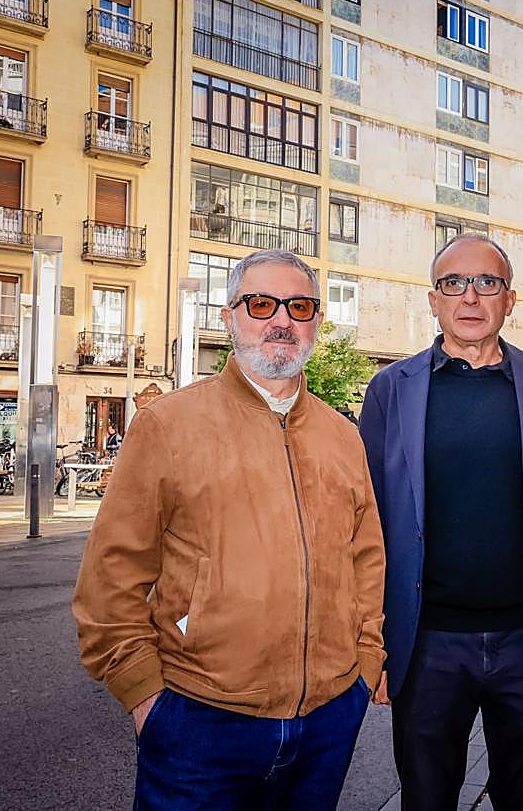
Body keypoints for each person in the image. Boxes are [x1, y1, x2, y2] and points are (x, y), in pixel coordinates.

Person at [72, 249, 387, 810]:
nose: (281, 320)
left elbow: (366, 559)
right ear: (230, 317)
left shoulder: (343, 436)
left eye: (300, 306)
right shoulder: (167, 425)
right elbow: (111, 577)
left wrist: (365, 664)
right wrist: (146, 698)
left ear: (316, 320)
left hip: (328, 719)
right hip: (200, 721)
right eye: (262, 303)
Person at [360, 232, 523, 810]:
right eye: (453, 284)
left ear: (509, 301)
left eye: (486, 283)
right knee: (426, 798)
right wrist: (372, 642)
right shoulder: (392, 389)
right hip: (426, 644)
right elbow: (365, 526)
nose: (470, 296)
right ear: (433, 300)